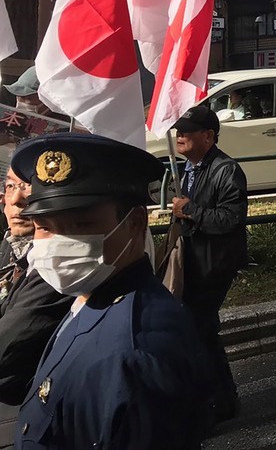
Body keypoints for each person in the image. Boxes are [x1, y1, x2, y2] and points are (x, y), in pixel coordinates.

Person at [10, 133, 209, 448]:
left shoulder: (135, 352)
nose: (57, 245)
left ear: (135, 222)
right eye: (45, 226)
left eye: (80, 225)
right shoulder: (90, 296)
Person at [170, 105, 248, 423]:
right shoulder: (191, 167)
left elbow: (230, 219)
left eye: (188, 131)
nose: (180, 135)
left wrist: (190, 211)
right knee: (202, 331)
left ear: (209, 135)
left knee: (200, 330)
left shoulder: (225, 169)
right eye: (179, 130)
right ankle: (218, 397)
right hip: (196, 261)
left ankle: (218, 400)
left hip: (215, 264)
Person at [0, 169, 73, 406]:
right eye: (10, 186)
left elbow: (8, 343)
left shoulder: (57, 262)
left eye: (28, 186)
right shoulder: (11, 246)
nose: (14, 200)